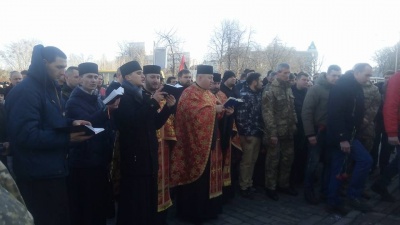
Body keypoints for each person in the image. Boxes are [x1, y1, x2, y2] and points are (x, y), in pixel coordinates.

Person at [5, 45, 92, 225]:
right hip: (36, 176)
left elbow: (50, 121)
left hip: (53, 169)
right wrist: (67, 138)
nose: (63, 72)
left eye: (64, 68)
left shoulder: (48, 88)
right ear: (44, 63)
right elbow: (26, 135)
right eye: (59, 67)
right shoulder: (27, 91)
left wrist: (72, 124)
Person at [114, 61, 175, 225]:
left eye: (142, 73)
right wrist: (153, 102)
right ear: (127, 76)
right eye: (138, 73)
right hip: (134, 158)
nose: (142, 76)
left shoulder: (139, 94)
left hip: (147, 156)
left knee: (146, 199)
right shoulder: (123, 96)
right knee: (134, 200)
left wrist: (168, 108)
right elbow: (132, 122)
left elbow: (153, 123)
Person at [171, 65, 232, 223]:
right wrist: (214, 110)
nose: (212, 81)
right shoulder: (189, 93)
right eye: (209, 78)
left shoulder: (209, 94)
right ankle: (194, 213)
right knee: (198, 181)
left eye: (213, 78)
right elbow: (192, 114)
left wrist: (224, 111)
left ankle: (210, 210)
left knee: (210, 178)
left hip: (212, 143)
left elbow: (215, 113)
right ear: (199, 78)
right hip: (194, 145)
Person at [66, 62, 119, 225]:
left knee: (98, 207)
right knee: (87, 208)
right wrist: (106, 110)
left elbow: (106, 124)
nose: (94, 80)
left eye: (96, 77)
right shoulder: (74, 101)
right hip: (84, 162)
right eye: (89, 77)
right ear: (80, 79)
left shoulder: (97, 97)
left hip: (99, 160)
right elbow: (87, 125)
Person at [326, 63, 373, 215]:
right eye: (367, 74)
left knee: (340, 168)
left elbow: (354, 111)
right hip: (343, 136)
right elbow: (335, 114)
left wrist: (361, 123)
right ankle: (348, 197)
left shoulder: (356, 86)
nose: (369, 78)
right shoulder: (342, 86)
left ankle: (336, 199)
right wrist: (342, 138)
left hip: (351, 134)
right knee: (364, 161)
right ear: (357, 72)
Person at [302, 65, 341, 205]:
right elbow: (307, 112)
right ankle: (308, 191)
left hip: (331, 133)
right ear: (327, 75)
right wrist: (310, 134)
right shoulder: (316, 89)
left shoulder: (337, 89)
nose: (336, 78)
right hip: (318, 132)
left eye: (338, 76)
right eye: (334, 75)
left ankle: (325, 191)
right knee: (313, 164)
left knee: (328, 164)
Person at [263, 63, 297, 201]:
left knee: (287, 159)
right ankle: (270, 187)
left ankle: (284, 184)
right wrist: (272, 133)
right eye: (284, 73)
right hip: (276, 132)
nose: (287, 75)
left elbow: (292, 108)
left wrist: (294, 124)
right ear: (277, 73)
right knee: (273, 161)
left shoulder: (288, 89)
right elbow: (267, 113)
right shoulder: (270, 89)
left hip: (288, 131)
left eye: (288, 73)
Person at [370, 71, 400, 202]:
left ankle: (381, 184)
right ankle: (381, 184)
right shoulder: (397, 78)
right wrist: (392, 132)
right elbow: (390, 106)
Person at [236, 72, 264, 198]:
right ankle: (243, 186)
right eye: (261, 81)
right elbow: (241, 116)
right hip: (248, 134)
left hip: (257, 133)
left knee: (253, 161)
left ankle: (249, 184)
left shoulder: (257, 94)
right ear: (254, 82)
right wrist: (246, 132)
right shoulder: (244, 95)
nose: (262, 83)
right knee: (246, 161)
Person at [371, 70, 396, 174]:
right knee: (374, 144)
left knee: (386, 146)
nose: (388, 80)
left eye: (390, 78)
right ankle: (372, 166)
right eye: (386, 77)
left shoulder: (395, 89)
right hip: (378, 120)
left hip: (389, 121)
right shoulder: (377, 88)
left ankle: (383, 168)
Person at [290, 72, 309, 187]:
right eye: (304, 80)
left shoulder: (308, 92)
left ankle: (301, 176)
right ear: (296, 80)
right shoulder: (290, 91)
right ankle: (292, 178)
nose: (306, 82)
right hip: (294, 127)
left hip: (305, 127)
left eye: (307, 80)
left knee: (303, 153)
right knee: (293, 154)